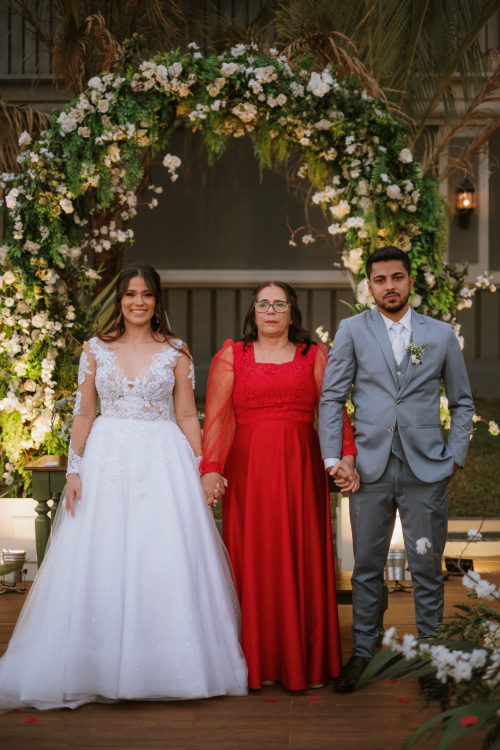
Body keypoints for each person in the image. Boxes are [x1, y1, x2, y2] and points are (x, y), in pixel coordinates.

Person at [0, 263, 248, 711]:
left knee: (163, 554)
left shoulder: (175, 350)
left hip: (163, 460)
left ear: (157, 300)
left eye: (147, 294)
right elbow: (84, 413)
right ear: (120, 300)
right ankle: (94, 665)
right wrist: (74, 470)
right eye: (130, 294)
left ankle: (170, 665)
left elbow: (186, 414)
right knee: (103, 554)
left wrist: (201, 468)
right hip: (108, 458)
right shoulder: (95, 348)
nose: (138, 302)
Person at [319, 246, 475, 693]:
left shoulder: (439, 334)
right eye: (380, 279)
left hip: (427, 469)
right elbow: (332, 397)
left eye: (397, 277)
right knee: (367, 566)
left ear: (409, 281)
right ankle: (363, 650)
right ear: (369, 286)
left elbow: (463, 402)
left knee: (426, 565)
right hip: (368, 469)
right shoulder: (352, 330)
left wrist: (454, 456)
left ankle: (432, 655)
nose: (390, 286)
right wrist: (334, 459)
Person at [200, 282, 359, 691]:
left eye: (279, 304)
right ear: (253, 312)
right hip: (249, 470)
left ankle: (305, 659)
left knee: (301, 552)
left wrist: (346, 455)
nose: (270, 311)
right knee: (253, 557)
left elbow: (333, 411)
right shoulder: (231, 356)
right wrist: (211, 467)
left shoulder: (315, 355)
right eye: (263, 304)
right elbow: (216, 418)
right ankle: (253, 661)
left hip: (300, 468)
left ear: (292, 312)